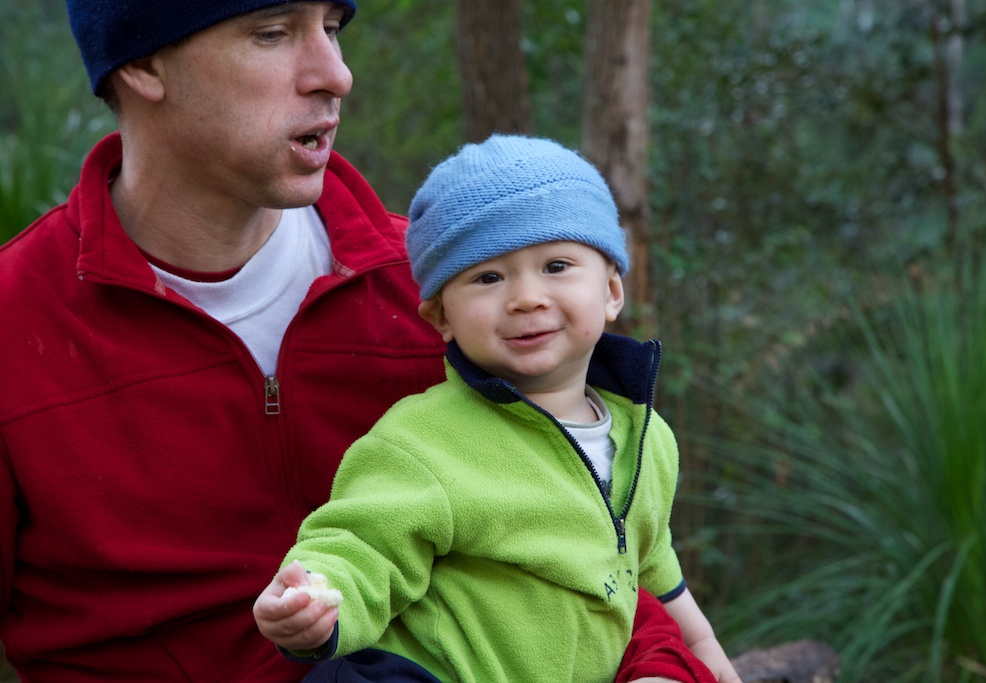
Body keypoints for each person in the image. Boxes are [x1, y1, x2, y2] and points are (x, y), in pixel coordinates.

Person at [0, 1, 719, 681]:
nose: (336, 75)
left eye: (333, 27)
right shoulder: (17, 325)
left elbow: (603, 566)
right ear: (142, 64)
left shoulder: (460, 298)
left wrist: (663, 668)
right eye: (273, 32)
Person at [254, 135, 740, 683]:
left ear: (610, 291)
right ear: (441, 317)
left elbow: (651, 564)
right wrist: (317, 600)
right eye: (488, 277)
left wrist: (706, 650)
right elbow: (362, 543)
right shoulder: (425, 438)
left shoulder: (647, 438)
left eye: (556, 265)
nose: (526, 297)